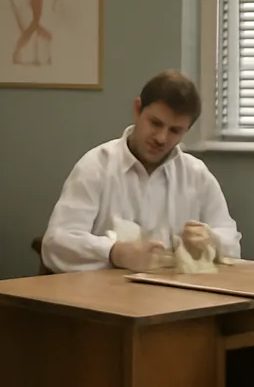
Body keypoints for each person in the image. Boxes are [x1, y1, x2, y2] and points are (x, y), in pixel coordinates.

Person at [40, 69, 241, 273]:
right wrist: (114, 253)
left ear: (186, 131)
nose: (161, 138)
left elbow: (232, 244)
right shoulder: (97, 166)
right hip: (105, 297)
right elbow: (56, 243)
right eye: (155, 123)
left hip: (176, 299)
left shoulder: (196, 175)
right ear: (137, 110)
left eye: (175, 131)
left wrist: (211, 241)